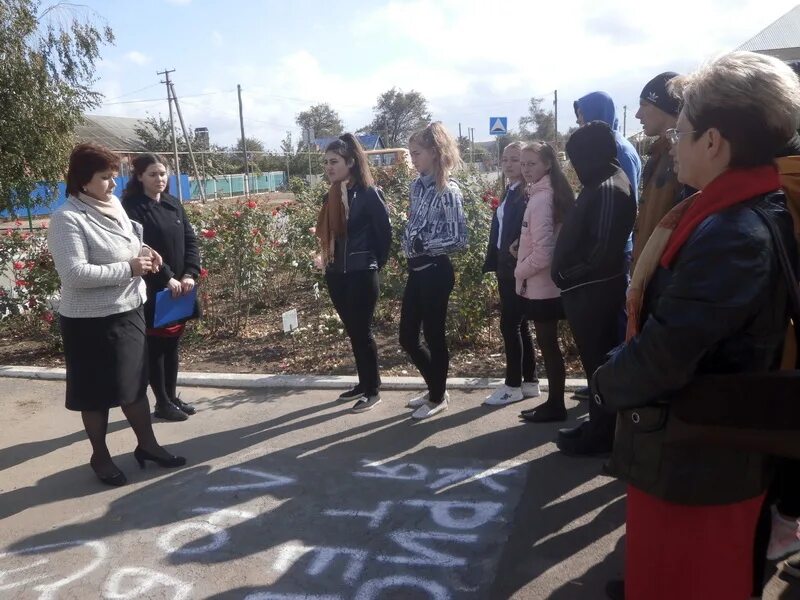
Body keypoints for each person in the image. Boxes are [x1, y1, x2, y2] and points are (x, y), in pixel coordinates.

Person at [591, 51, 800, 600]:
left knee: (688, 580)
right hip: (699, 451)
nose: (671, 143)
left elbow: (668, 351)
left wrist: (606, 383)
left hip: (701, 460)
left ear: (714, 142)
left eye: (679, 131)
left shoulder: (732, 233)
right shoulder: (737, 209)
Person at [47, 143, 186, 487]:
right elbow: (74, 273)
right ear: (83, 180)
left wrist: (144, 254)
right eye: (105, 178)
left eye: (114, 176)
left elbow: (127, 244)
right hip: (89, 322)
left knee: (133, 385)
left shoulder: (112, 206)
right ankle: (100, 456)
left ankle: (149, 446)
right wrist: (130, 267)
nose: (113, 184)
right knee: (95, 393)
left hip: (128, 311)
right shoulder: (68, 218)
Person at [550, 122, 636, 455]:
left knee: (599, 365)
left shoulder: (609, 188)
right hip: (587, 292)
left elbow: (601, 251)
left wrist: (566, 276)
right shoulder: (601, 181)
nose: (574, 166)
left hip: (594, 294)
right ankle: (599, 425)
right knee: (594, 366)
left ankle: (602, 435)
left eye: (576, 158)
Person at [571, 91, 642, 402]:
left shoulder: (617, 150)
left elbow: (622, 201)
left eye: (582, 116)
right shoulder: (614, 144)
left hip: (616, 246)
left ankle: (612, 387)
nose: (579, 122)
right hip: (614, 244)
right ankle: (603, 383)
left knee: (613, 320)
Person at [314, 134, 392, 413]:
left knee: (363, 331)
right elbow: (329, 234)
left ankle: (373, 391)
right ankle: (363, 383)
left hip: (361, 273)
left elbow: (385, 235)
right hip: (337, 273)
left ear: (350, 162)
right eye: (326, 162)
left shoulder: (370, 193)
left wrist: (372, 264)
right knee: (353, 332)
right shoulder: (332, 193)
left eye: (334, 161)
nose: (329, 167)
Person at [121, 154, 201, 422]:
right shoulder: (131, 208)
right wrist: (167, 278)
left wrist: (190, 273)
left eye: (163, 174)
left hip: (181, 286)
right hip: (154, 288)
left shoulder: (172, 203)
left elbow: (190, 240)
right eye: (153, 174)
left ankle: (172, 395)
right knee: (156, 345)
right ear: (140, 177)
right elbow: (139, 249)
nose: (160, 179)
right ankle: (162, 403)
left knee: (173, 344)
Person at [400, 122, 468, 420]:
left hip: (436, 272)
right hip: (418, 271)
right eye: (411, 154)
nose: (412, 159)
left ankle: (438, 395)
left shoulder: (448, 190)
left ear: (435, 153)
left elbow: (459, 238)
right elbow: (414, 223)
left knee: (434, 335)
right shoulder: (417, 186)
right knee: (407, 337)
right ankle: (435, 386)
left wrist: (424, 243)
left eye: (417, 153)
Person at [515, 142, 575, 423]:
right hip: (551, 284)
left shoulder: (541, 198)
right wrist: (522, 246)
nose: (526, 169)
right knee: (550, 345)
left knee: (548, 345)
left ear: (547, 165)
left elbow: (543, 253)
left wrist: (520, 270)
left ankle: (555, 405)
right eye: (523, 164)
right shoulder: (549, 191)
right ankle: (555, 403)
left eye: (532, 164)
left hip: (541, 285)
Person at [482, 142, 540, 406]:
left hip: (515, 267)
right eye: (505, 159)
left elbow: (524, 233)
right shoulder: (511, 190)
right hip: (506, 266)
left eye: (515, 160)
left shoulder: (525, 194)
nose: (508, 164)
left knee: (510, 325)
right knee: (520, 325)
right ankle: (530, 381)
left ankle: (513, 385)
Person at [632, 72, 684, 268]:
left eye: (645, 105)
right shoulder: (660, 155)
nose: (638, 114)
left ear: (667, 107)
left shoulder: (683, 161)